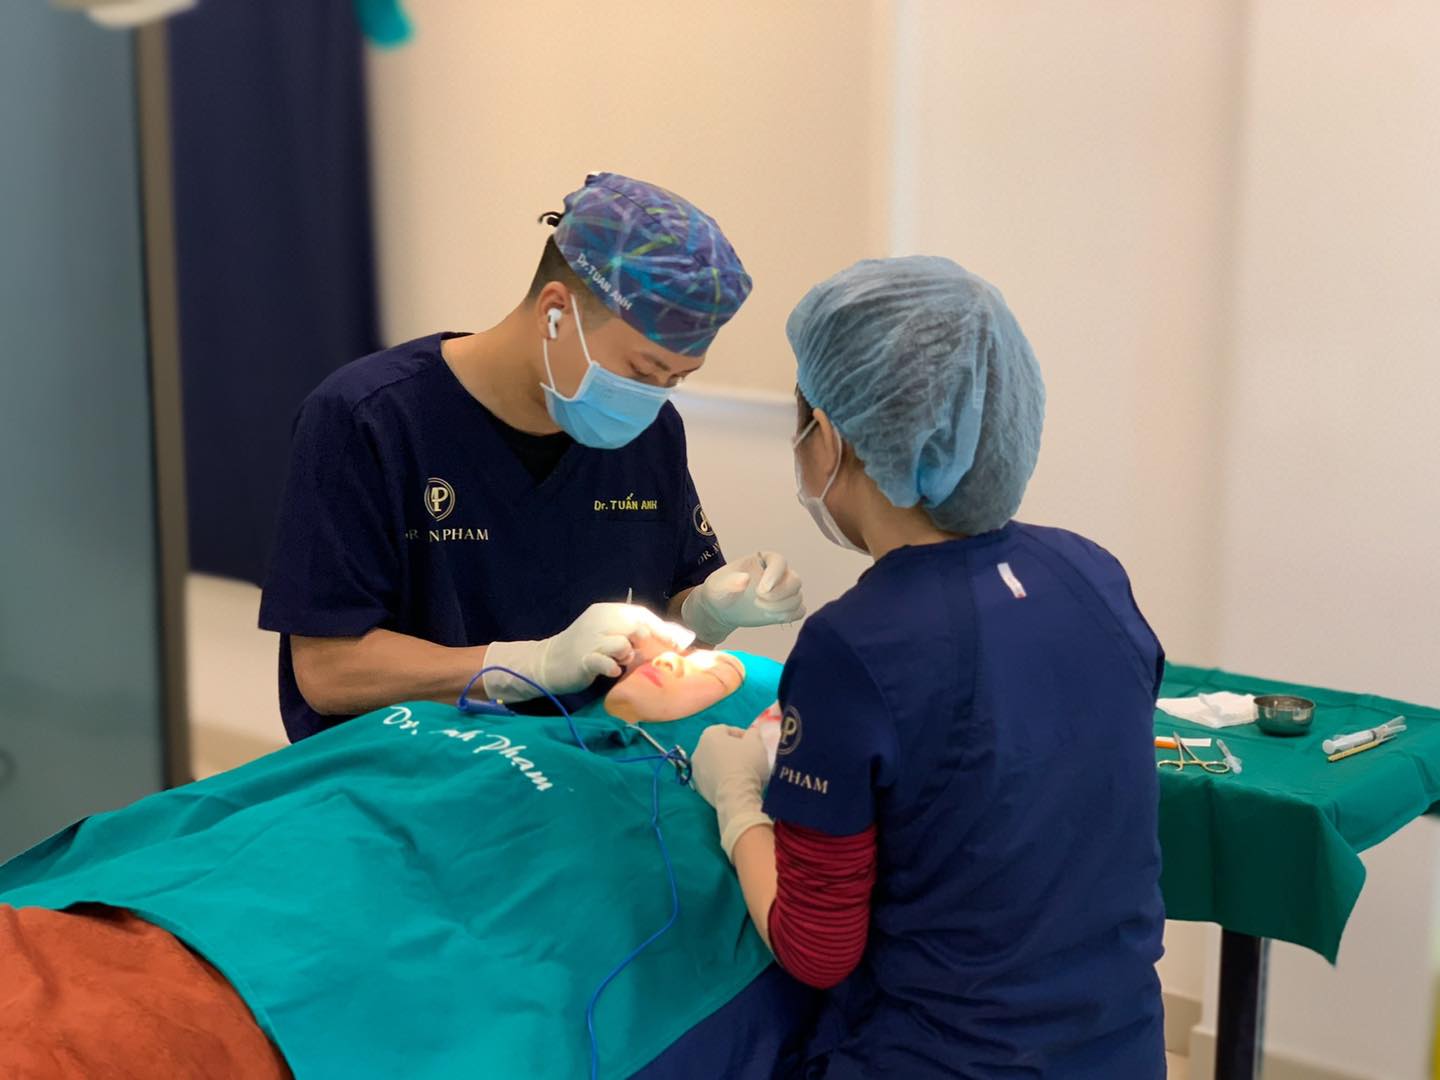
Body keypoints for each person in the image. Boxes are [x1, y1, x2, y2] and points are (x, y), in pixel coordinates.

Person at [691, 256, 1167, 1078]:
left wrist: (738, 806)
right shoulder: (1091, 573)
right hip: (1118, 1050)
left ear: (826, 439)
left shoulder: (854, 646)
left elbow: (817, 948)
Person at [0, 640, 810, 1079]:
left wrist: (740, 812)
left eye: (717, 672)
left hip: (283, 1008)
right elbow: (240, 799)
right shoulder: (461, 714)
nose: (680, 653)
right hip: (158, 907)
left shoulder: (694, 841)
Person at [260, 171, 804, 742]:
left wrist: (707, 612)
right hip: (408, 770)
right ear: (554, 313)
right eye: (642, 371)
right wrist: (526, 665)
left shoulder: (653, 434)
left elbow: (662, 621)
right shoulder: (367, 418)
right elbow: (329, 671)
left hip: (586, 759)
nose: (650, 398)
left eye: (676, 378)